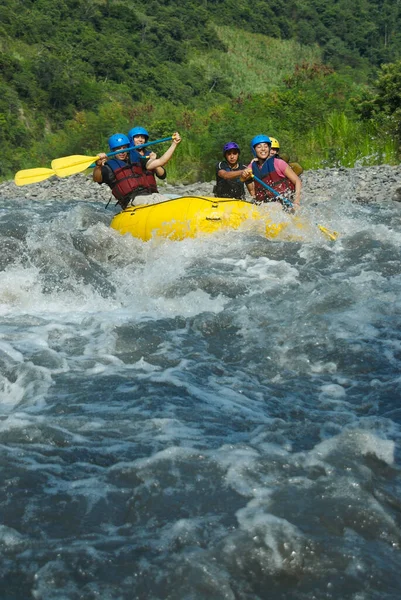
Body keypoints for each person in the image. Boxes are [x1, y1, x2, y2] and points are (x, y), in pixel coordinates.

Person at [93, 131, 181, 208]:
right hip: (132, 200)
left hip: (150, 195)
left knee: (172, 203)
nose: (122, 151)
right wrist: (98, 166)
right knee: (161, 204)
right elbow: (97, 178)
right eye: (118, 149)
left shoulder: (138, 159)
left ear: (128, 148)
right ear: (113, 150)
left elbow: (161, 162)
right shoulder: (110, 166)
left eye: (124, 148)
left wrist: (174, 144)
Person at [242, 134, 302, 207]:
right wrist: (243, 175)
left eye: (266, 146)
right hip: (264, 203)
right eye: (259, 147)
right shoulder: (252, 166)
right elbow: (242, 178)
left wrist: (297, 201)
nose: (263, 149)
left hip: (284, 202)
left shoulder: (279, 163)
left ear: (269, 148)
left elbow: (297, 181)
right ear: (254, 150)